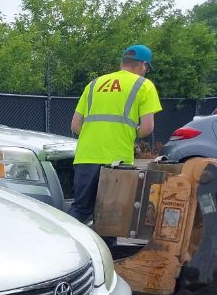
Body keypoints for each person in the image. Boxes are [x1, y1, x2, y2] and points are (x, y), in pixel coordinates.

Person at [69, 44, 162, 223]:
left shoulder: (94, 84)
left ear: (123, 62)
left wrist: (95, 136)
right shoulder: (144, 85)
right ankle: (107, 250)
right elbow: (147, 127)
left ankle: (65, 246)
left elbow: (75, 125)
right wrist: (124, 135)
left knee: (80, 210)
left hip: (86, 157)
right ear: (143, 65)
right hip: (118, 160)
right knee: (110, 217)